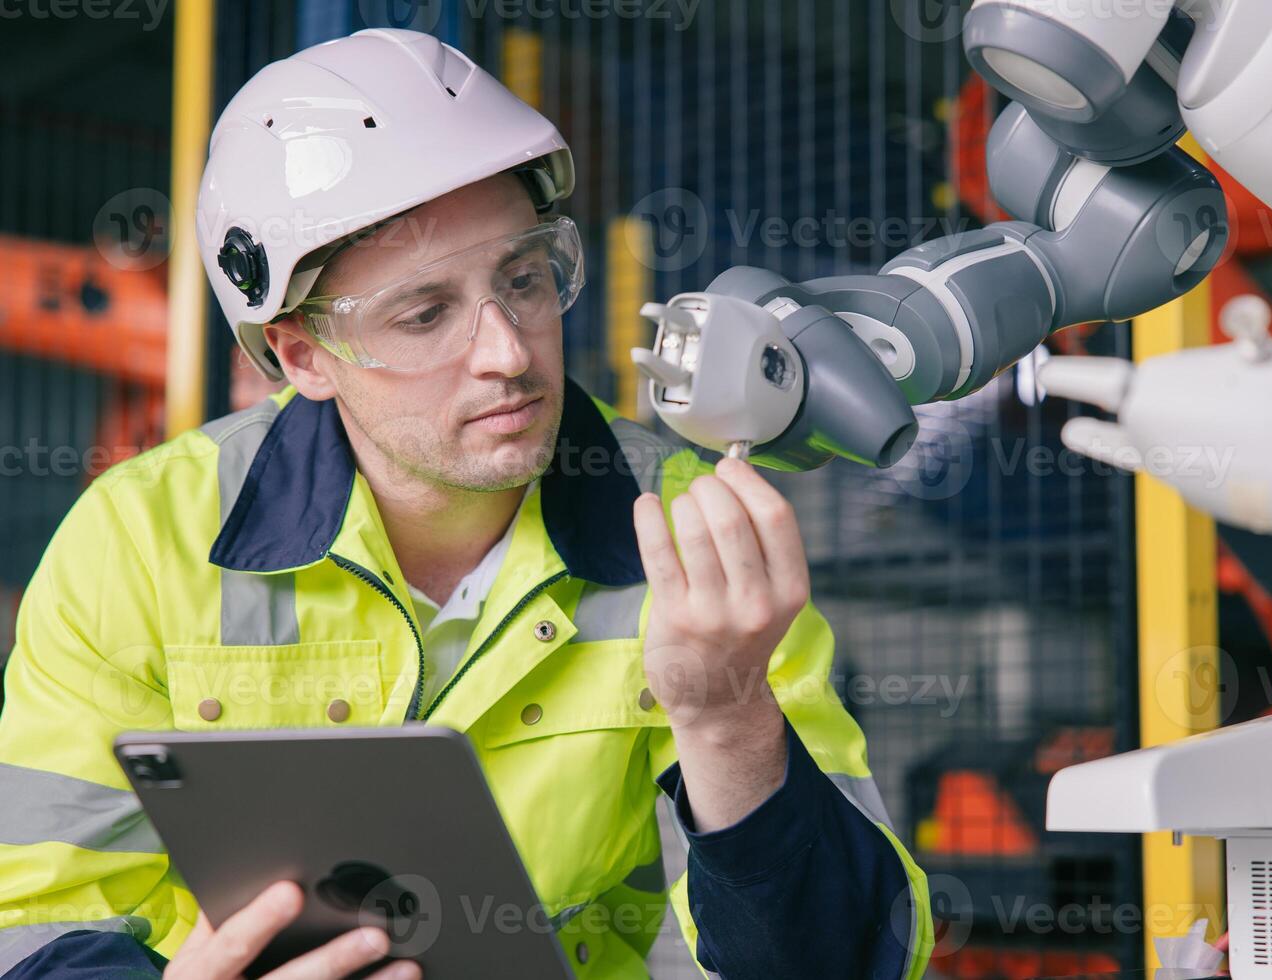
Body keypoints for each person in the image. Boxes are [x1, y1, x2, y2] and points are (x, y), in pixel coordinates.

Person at [0, 29, 932, 980]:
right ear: (304, 356)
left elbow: (848, 964)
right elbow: (36, 922)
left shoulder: (695, 544)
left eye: (523, 279)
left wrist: (728, 716)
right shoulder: (141, 542)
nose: (508, 352)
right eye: (424, 313)